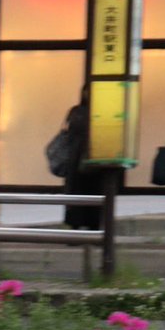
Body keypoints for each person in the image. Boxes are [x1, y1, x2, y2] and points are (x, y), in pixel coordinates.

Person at [63, 96, 102, 230]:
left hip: (81, 159)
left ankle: (81, 229)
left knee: (82, 193)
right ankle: (88, 229)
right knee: (86, 194)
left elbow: (67, 130)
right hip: (87, 159)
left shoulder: (76, 112)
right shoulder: (93, 111)